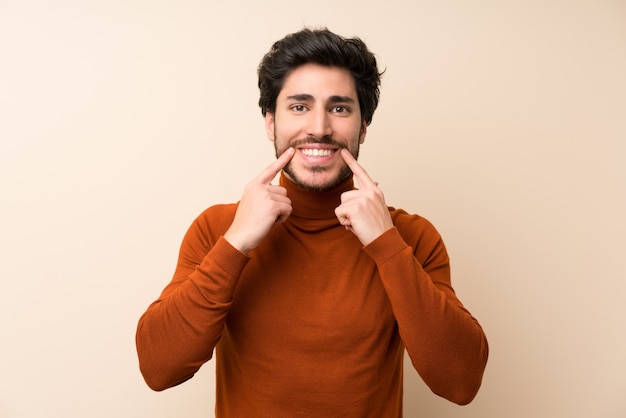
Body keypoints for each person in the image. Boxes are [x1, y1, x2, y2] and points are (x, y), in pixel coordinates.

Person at [136, 27, 488, 417]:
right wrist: (235, 243)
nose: (319, 128)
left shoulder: (410, 237)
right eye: (299, 107)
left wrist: (386, 245)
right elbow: (159, 368)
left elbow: (460, 382)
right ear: (270, 122)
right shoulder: (218, 228)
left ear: (363, 127)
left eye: (339, 108)